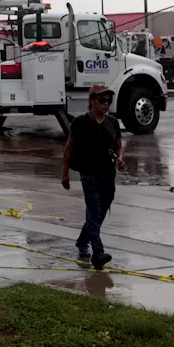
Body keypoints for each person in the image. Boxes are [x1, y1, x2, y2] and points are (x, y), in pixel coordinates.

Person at [62, 83, 124, 270]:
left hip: (108, 176)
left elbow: (119, 145)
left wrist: (120, 158)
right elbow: (69, 148)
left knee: (98, 215)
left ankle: (82, 241)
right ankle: (98, 253)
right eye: (102, 100)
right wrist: (64, 173)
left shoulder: (113, 122)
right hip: (89, 175)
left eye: (108, 100)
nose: (106, 104)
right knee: (95, 213)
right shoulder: (80, 123)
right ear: (91, 102)